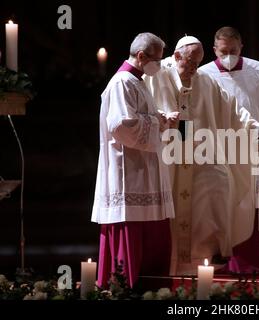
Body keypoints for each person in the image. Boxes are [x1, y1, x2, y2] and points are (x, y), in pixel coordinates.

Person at [144, 35, 259, 275]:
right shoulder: (156, 78)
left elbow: (234, 109)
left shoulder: (205, 81)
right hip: (167, 156)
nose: (194, 68)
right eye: (190, 62)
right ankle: (172, 263)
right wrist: (162, 116)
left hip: (200, 154)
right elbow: (144, 105)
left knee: (220, 180)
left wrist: (257, 130)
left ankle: (204, 258)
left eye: (197, 63)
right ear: (176, 57)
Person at [91, 32, 175, 289]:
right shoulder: (122, 83)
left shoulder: (137, 81)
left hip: (143, 168)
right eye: (157, 60)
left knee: (153, 230)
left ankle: (152, 287)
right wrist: (158, 122)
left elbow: (139, 114)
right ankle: (127, 287)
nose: (159, 65)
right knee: (132, 226)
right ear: (141, 56)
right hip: (129, 170)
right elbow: (121, 125)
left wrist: (159, 116)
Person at [199, 26, 259, 273]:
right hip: (217, 149)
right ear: (214, 49)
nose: (228, 56)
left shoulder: (258, 69)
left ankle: (248, 261)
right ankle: (218, 258)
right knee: (220, 201)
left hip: (254, 147)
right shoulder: (204, 74)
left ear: (241, 47)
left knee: (250, 201)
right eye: (223, 51)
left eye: (233, 51)